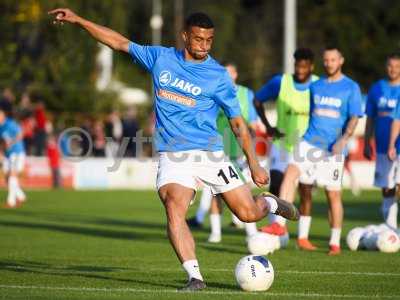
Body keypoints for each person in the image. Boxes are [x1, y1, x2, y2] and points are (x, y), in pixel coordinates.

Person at [49, 9, 299, 291]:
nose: (204, 45)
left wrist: (253, 163)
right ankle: (195, 277)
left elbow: (238, 122)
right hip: (173, 154)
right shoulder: (161, 58)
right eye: (198, 39)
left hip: (209, 153)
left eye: (209, 40)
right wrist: (79, 21)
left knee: (248, 214)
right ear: (184, 37)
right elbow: (118, 42)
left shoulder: (218, 76)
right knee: (174, 207)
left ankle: (269, 202)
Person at [274, 46, 363, 255]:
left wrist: (344, 139)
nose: (329, 63)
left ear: (341, 60)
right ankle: (279, 224)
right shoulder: (316, 86)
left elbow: (354, 117)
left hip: (333, 148)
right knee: (290, 173)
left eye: (333, 59)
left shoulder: (351, 87)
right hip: (309, 142)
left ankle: (334, 242)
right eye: (326, 60)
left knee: (332, 195)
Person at [253, 48, 319, 250]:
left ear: (311, 66)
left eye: (304, 65)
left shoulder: (318, 84)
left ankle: (303, 237)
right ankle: (277, 229)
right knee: (276, 186)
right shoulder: (281, 82)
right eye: (298, 65)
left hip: (306, 146)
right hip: (282, 145)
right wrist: (268, 126)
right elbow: (257, 100)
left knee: (305, 191)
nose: (300, 69)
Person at [188, 62, 259, 243]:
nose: (226, 76)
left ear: (235, 74)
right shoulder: (211, 91)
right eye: (223, 73)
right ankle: (216, 233)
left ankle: (252, 234)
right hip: (216, 151)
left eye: (229, 73)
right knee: (215, 193)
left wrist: (250, 152)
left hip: (238, 152)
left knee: (244, 191)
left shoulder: (245, 94)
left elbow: (251, 125)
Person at [372, 53, 400, 229]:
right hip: (384, 146)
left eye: (397, 66)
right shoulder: (377, 88)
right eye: (391, 66)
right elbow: (370, 117)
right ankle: (391, 228)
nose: (393, 69)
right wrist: (368, 140)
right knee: (387, 188)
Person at [0, 106, 26, 208]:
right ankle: (21, 196)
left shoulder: (10, 123)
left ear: (3, 115)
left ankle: (11, 202)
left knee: (12, 175)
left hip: (16, 152)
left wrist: (12, 142)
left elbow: (20, 134)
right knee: (7, 177)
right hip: (7, 154)